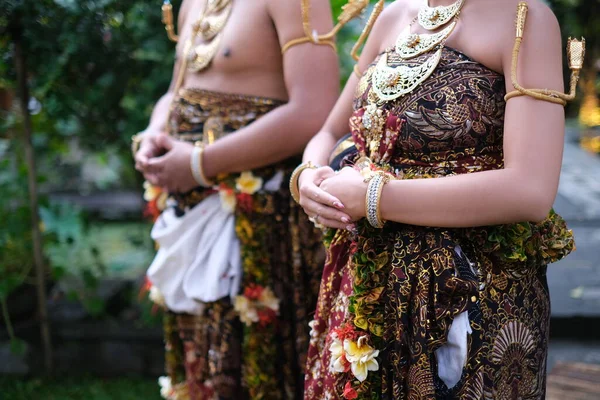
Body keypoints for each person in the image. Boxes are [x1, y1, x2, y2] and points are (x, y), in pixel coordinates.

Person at [294, 0, 580, 398]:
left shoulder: (524, 16)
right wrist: (307, 177)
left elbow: (530, 189)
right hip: (367, 284)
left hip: (470, 294)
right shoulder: (393, 13)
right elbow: (327, 133)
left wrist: (374, 197)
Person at [132, 0, 341, 398]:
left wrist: (199, 164)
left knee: (262, 369)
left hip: (264, 220)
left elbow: (313, 111)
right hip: (190, 211)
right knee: (201, 363)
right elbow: (178, 89)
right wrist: (153, 133)